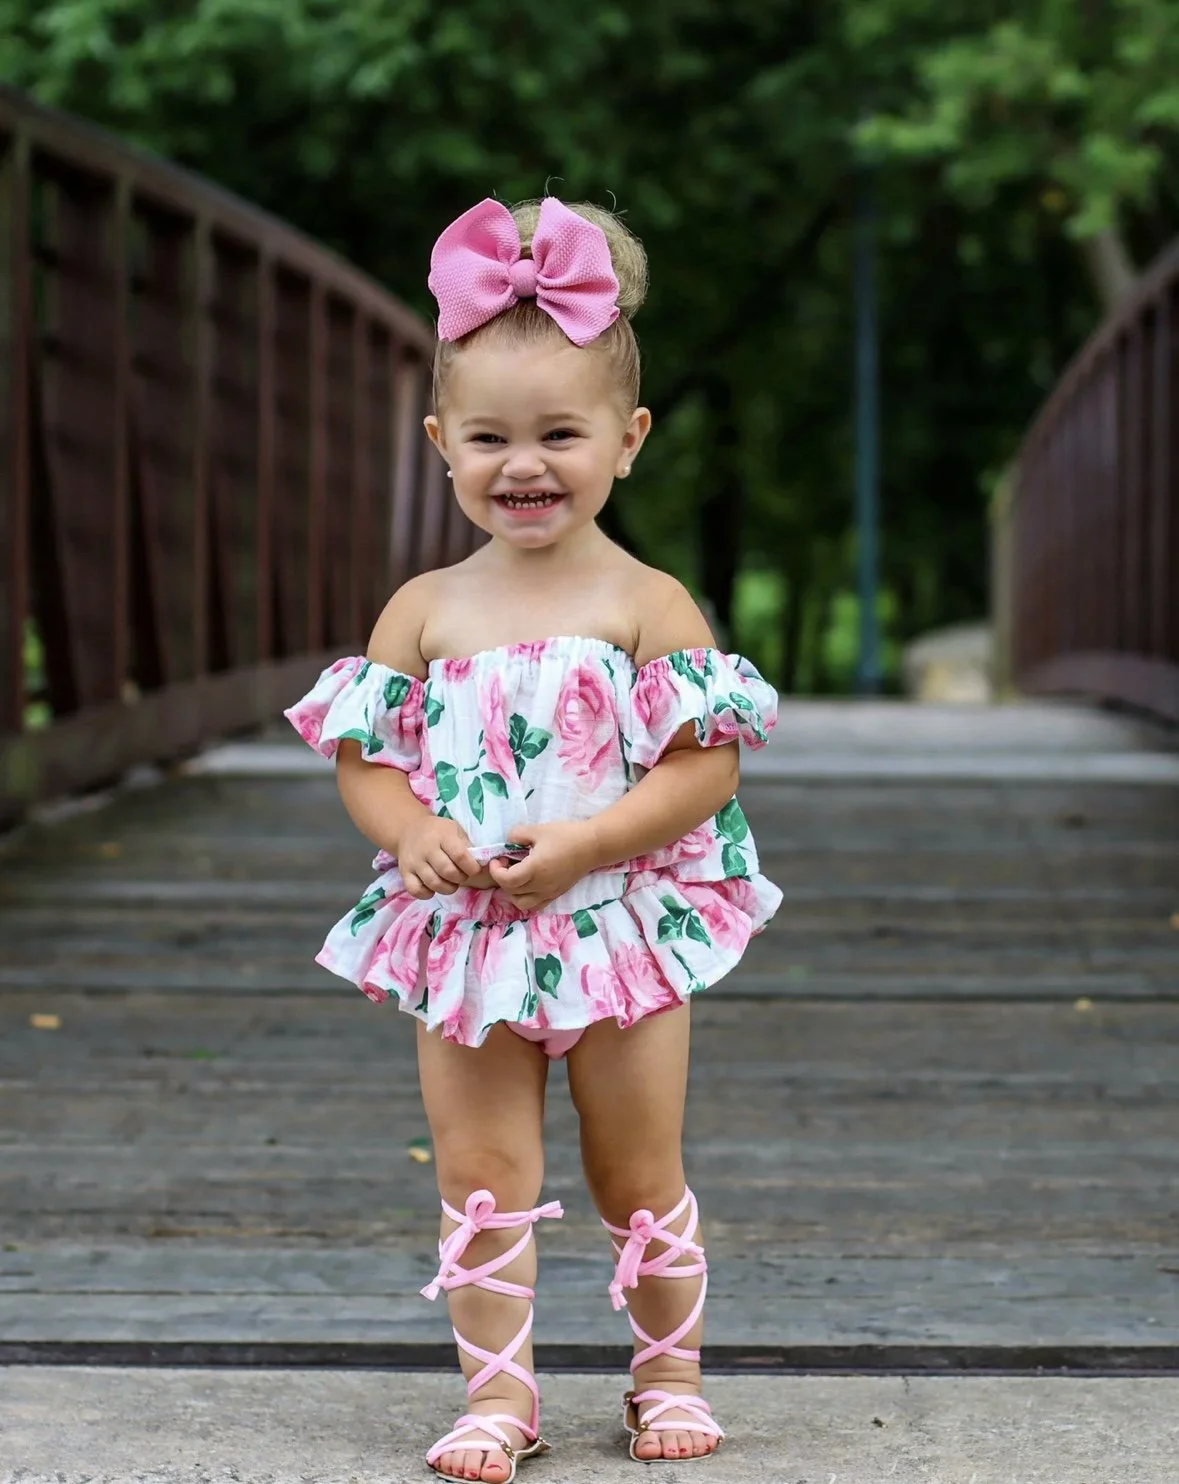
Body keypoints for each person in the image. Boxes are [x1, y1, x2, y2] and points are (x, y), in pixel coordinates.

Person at [285, 195, 781, 1482]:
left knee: (635, 1167)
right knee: (481, 1169)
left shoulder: (646, 601)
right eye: (491, 436)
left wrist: (595, 839)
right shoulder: (423, 609)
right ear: (441, 444)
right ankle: (498, 1395)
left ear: (629, 438)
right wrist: (411, 829)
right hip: (468, 937)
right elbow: (367, 759)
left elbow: (706, 764)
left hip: (614, 929)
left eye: (561, 433)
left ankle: (667, 1371)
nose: (526, 464)